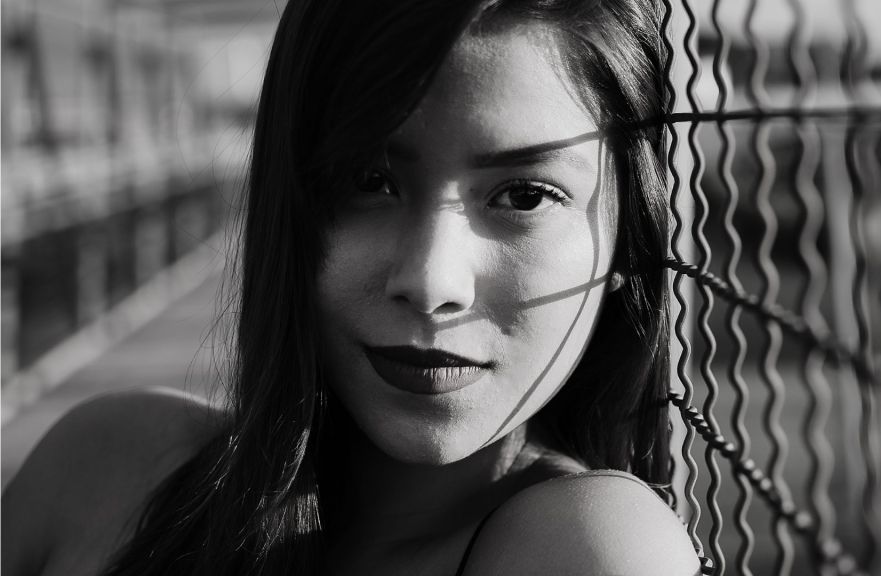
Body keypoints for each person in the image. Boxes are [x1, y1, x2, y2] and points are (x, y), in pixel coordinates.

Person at [3, 0, 700, 574]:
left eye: (525, 196)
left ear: (628, 239)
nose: (431, 281)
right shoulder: (101, 467)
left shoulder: (591, 549)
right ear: (289, 203)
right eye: (369, 180)